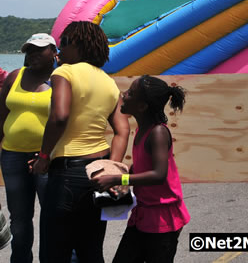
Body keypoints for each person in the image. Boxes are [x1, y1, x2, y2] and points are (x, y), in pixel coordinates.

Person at [30, 21, 130, 263]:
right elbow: (122, 130)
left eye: (63, 43)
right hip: (98, 172)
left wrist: (43, 157)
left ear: (77, 45)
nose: (59, 50)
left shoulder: (64, 73)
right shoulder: (108, 81)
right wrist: (111, 167)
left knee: (54, 254)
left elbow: (60, 116)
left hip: (66, 174)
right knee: (91, 250)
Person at [94, 75, 191, 263]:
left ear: (142, 106)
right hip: (143, 214)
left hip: (163, 220)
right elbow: (144, 166)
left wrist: (117, 180)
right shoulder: (141, 130)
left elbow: (159, 174)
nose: (124, 94)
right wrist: (123, 174)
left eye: (130, 93)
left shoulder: (158, 133)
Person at [0, 33, 57, 262]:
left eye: (39, 49)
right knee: (19, 218)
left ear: (54, 52)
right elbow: (2, 115)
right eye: (29, 50)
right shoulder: (15, 76)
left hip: (46, 157)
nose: (33, 54)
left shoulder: (62, 79)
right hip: (12, 155)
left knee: (51, 215)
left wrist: (48, 154)